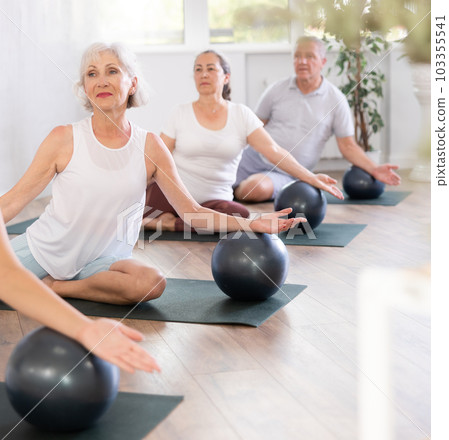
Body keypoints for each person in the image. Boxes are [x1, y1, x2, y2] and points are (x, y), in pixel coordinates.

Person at [0, 42, 301, 307]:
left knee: (151, 283)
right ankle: (41, 282)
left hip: (103, 264)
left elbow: (193, 213)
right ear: (85, 87)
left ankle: (56, 288)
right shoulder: (63, 139)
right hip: (43, 252)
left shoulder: (150, 146)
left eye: (112, 71)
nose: (101, 81)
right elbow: (12, 203)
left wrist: (252, 222)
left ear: (132, 83)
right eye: (92, 74)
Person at [143, 49, 343, 232]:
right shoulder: (179, 113)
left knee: (241, 216)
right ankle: (175, 219)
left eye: (211, 69)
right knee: (224, 221)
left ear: (226, 77)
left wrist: (311, 177)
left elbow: (274, 151)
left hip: (215, 201)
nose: (204, 74)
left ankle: (168, 223)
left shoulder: (241, 114)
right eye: (198, 69)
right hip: (174, 197)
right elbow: (157, 158)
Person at [234, 36, 401, 202]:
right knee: (210, 176)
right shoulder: (276, 89)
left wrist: (374, 168)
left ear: (323, 61)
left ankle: (228, 194)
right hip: (251, 158)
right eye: (297, 56)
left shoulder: (336, 99)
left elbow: (348, 146)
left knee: (255, 189)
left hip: (288, 172)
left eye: (310, 56)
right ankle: (223, 193)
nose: (302, 61)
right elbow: (252, 129)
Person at [0, 212, 159, 374]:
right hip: (47, 248)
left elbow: (6, 275)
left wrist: (84, 329)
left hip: (97, 256)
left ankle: (58, 286)